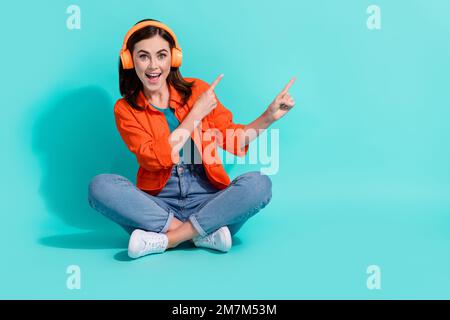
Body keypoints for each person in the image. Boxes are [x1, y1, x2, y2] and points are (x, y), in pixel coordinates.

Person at [87, 19, 296, 259]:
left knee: (259, 184)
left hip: (208, 201)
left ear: (173, 59)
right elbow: (153, 159)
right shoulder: (125, 109)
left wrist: (268, 117)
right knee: (100, 186)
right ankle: (201, 234)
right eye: (143, 56)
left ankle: (167, 240)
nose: (153, 65)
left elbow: (234, 140)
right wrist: (195, 115)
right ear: (129, 60)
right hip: (158, 207)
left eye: (161, 55)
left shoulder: (198, 90)